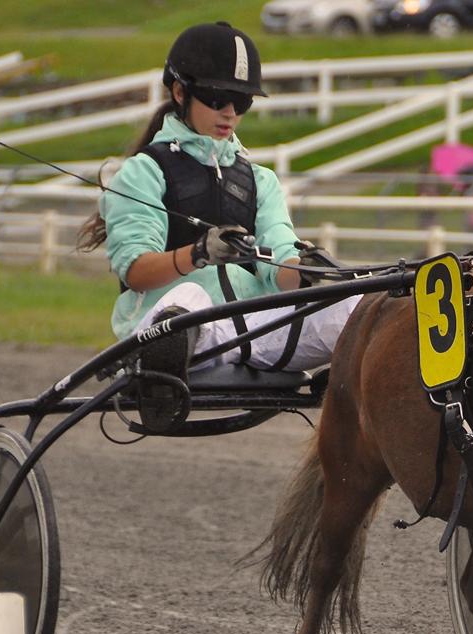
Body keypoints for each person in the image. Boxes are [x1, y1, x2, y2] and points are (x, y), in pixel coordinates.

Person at [78, 21, 360, 429]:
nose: (230, 112)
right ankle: (160, 375)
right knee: (189, 298)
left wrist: (304, 268)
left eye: (241, 102)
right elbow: (136, 271)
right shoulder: (143, 173)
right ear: (180, 93)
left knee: (355, 307)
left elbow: (279, 259)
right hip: (174, 330)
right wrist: (197, 253)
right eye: (218, 98)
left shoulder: (260, 180)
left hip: (251, 335)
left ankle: (355, 391)